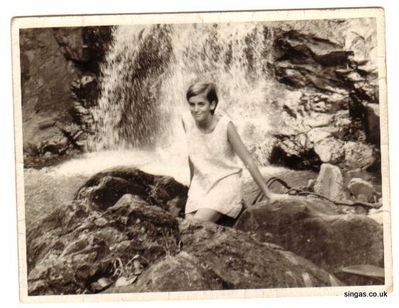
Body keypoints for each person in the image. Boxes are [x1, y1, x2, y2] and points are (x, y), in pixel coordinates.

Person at [181, 82, 275, 223]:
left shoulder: (225, 125)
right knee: (186, 224)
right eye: (192, 104)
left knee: (196, 225)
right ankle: (237, 208)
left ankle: (234, 203)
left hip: (225, 182)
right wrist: (191, 187)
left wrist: (268, 194)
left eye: (201, 104)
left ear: (212, 105)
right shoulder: (186, 120)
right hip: (200, 184)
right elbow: (193, 154)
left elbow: (247, 160)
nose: (195, 109)